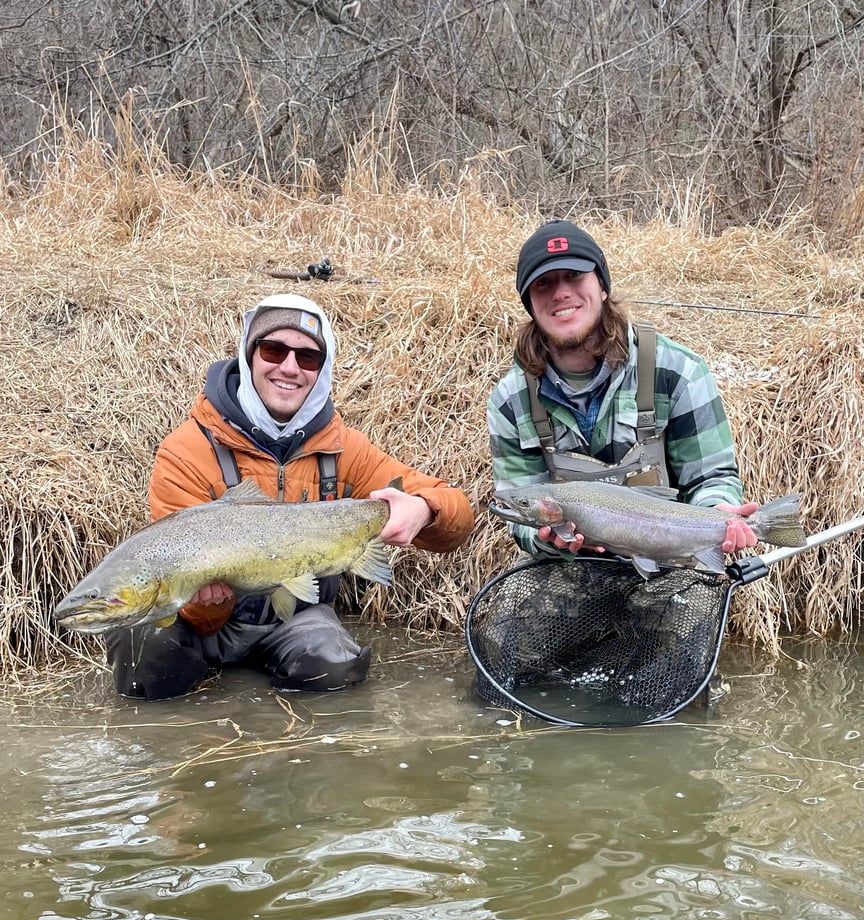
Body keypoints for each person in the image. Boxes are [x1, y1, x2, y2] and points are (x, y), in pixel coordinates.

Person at [107, 292, 474, 700]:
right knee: (142, 649)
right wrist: (207, 604)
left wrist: (424, 508)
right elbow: (191, 610)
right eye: (274, 350)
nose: (289, 367)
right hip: (200, 627)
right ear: (250, 357)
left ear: (322, 369)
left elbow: (455, 513)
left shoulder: (344, 448)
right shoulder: (187, 451)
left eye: (307, 358)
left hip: (295, 620)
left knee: (331, 667)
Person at [487, 219, 759, 559]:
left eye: (574, 275)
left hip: (670, 563)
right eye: (543, 283)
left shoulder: (676, 371)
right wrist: (545, 539)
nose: (560, 292)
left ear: (602, 285)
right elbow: (520, 516)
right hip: (566, 570)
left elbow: (711, 476)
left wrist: (718, 513)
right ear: (529, 302)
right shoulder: (511, 401)